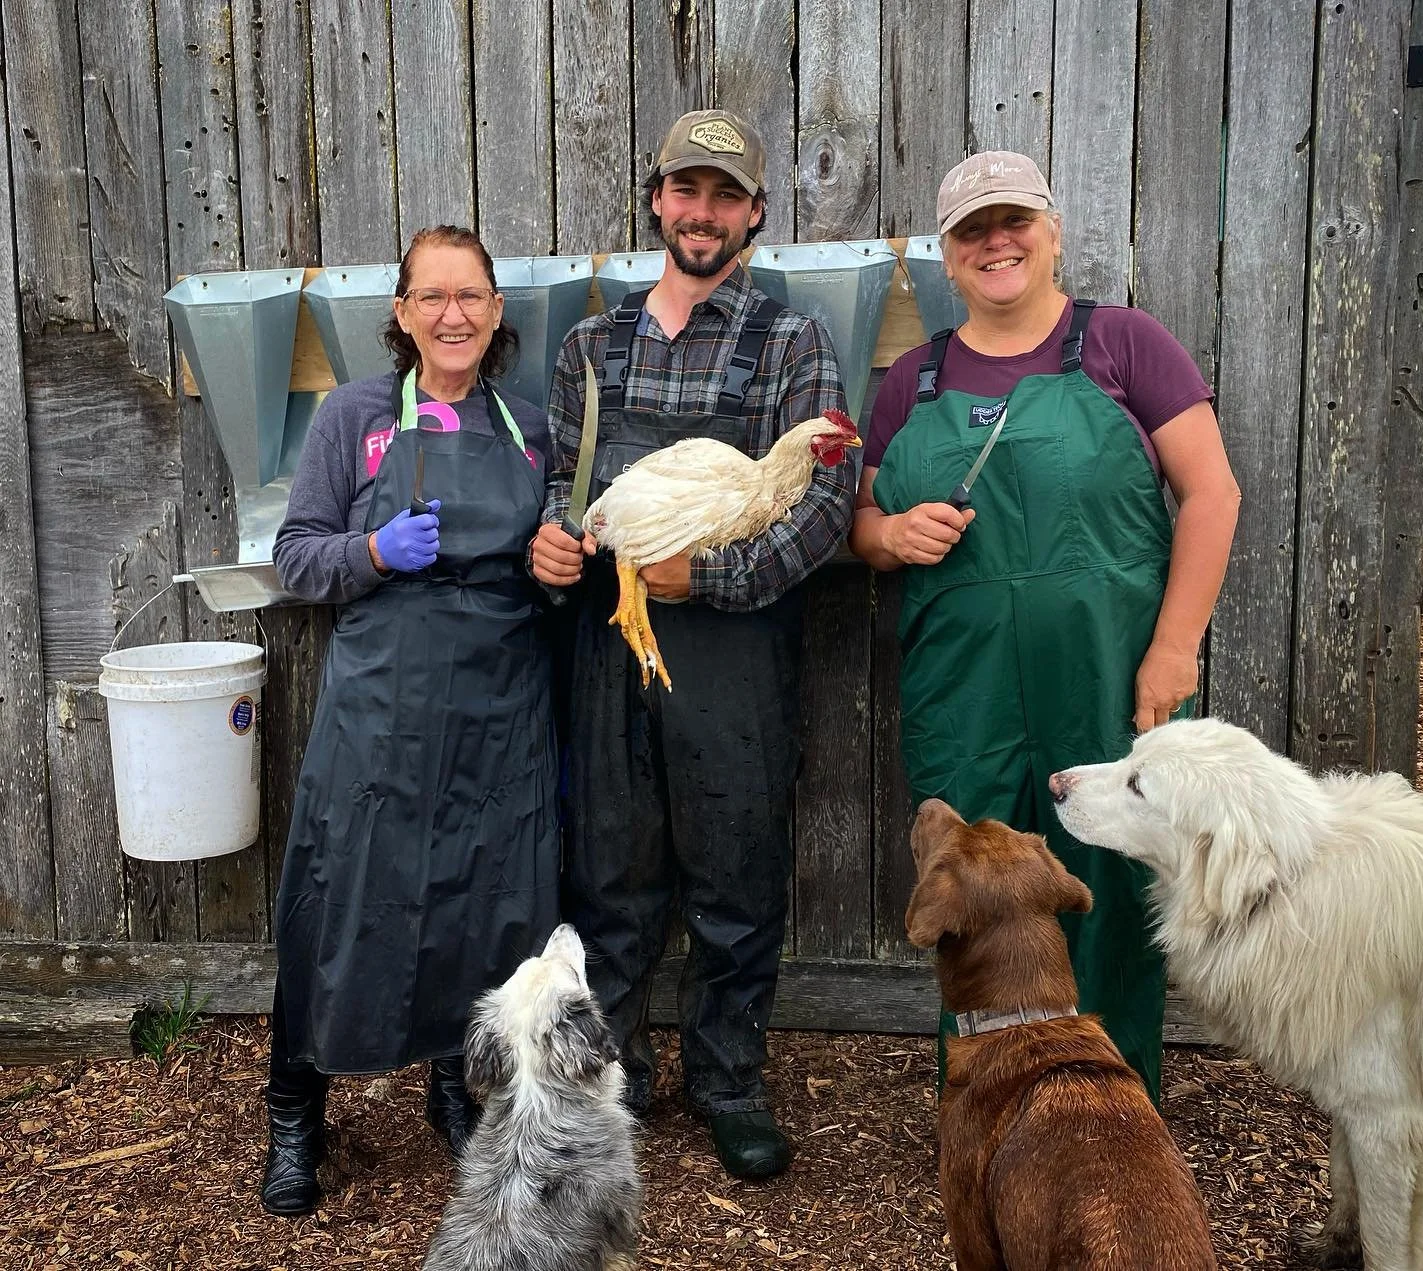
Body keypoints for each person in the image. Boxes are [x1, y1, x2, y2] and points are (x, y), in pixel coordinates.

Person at [849, 152, 1241, 1102]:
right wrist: (893, 532)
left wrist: (1173, 647)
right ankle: (988, 1109)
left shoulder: (1125, 346)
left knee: (1104, 886)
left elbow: (1211, 493)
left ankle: (1115, 1106)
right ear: (946, 256)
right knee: (971, 890)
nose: (997, 242)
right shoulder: (914, 379)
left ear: (1053, 230)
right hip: (963, 689)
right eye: (973, 230)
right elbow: (857, 523)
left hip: (1103, 676)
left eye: (1014, 220)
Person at [529, 109, 852, 1179]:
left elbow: (823, 503)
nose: (701, 212)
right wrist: (554, 547)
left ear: (753, 213)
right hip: (608, 647)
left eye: (725, 195)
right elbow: (558, 489)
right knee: (610, 866)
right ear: (656, 201)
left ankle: (726, 1077)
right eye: (685, 190)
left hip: (733, 646)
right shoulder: (591, 344)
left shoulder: (789, 342)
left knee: (735, 865)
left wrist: (704, 576)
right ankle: (611, 1073)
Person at [262, 226, 560, 1216]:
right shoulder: (353, 418)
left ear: (496, 308)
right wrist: (376, 552)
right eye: (432, 297)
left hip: (495, 710)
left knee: (480, 909)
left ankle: (450, 1083)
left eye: (470, 295)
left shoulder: (528, 427)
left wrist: (559, 568)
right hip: (380, 713)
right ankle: (296, 1107)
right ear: (401, 312)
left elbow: (555, 567)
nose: (454, 314)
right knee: (337, 906)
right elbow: (298, 556)